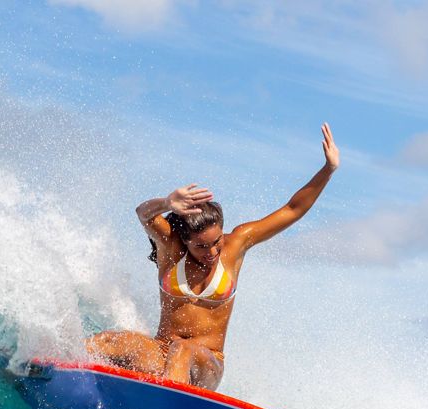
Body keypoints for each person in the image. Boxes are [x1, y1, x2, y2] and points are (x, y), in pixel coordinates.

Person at [85, 123, 340, 391]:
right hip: (161, 353)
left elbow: (292, 209)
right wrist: (167, 203)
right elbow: (142, 213)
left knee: (182, 349)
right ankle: (45, 370)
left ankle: (169, 406)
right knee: (108, 341)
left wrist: (328, 170)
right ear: (185, 241)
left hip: (207, 364)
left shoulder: (236, 245)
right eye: (201, 247)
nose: (213, 252)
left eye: (216, 242)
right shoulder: (171, 247)